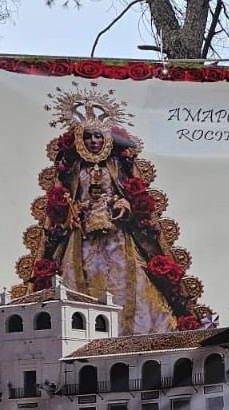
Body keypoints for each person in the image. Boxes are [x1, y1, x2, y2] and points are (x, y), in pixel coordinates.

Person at [18, 87, 208, 335]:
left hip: (117, 238)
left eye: (98, 136)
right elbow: (66, 202)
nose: (94, 142)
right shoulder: (75, 170)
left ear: (106, 138)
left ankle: (132, 333)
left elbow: (129, 196)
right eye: (88, 137)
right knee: (77, 284)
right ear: (80, 140)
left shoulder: (116, 167)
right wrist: (73, 210)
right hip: (82, 239)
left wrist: (124, 205)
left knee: (131, 283)